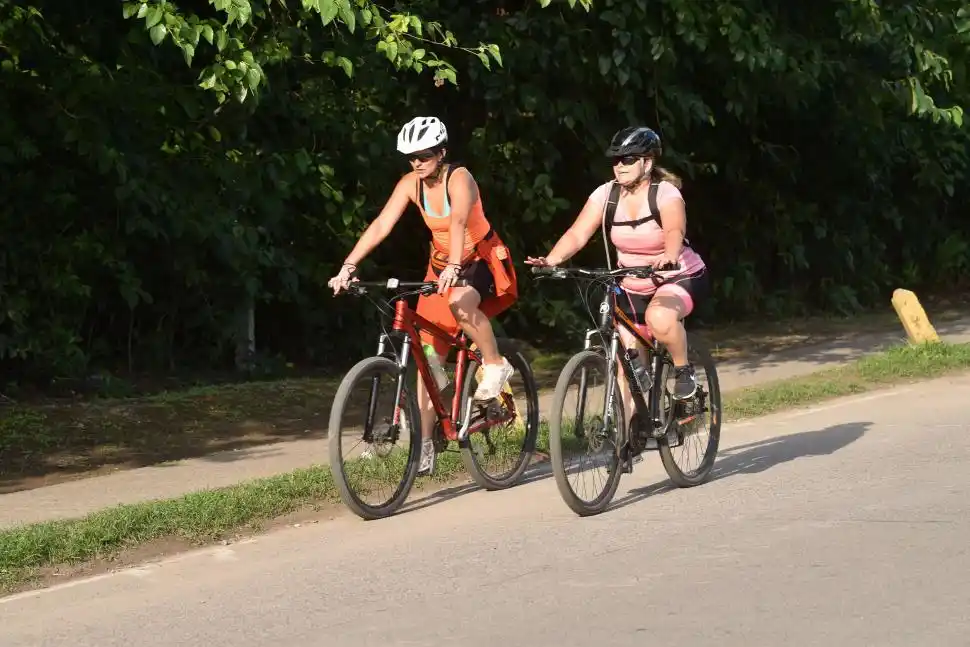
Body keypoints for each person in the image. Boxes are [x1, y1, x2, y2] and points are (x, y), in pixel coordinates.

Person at [328, 116, 518, 474]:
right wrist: (349, 265)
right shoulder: (410, 184)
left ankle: (495, 364)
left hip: (477, 258)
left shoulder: (459, 178)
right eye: (411, 156)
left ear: (442, 153)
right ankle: (426, 445)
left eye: (425, 155)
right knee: (429, 356)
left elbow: (460, 222)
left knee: (461, 304)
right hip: (441, 263)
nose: (418, 162)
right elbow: (382, 224)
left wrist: (456, 265)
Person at [526, 126, 709, 418]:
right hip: (631, 281)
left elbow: (675, 228)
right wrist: (551, 261)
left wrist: (669, 255)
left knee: (659, 319)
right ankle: (627, 435)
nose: (619, 165)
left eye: (628, 159)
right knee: (627, 357)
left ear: (647, 162)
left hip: (676, 275)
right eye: (615, 160)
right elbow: (577, 233)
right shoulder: (606, 194)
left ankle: (683, 371)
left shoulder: (665, 193)